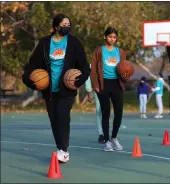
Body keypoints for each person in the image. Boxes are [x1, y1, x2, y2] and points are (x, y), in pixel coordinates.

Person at [22, 14, 90, 163]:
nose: (67, 26)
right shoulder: (45, 43)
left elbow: (84, 65)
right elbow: (33, 65)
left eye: (68, 24)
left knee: (62, 116)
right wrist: (29, 80)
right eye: (64, 24)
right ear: (56, 26)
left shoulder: (74, 42)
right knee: (54, 119)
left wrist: (80, 80)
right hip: (49, 90)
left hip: (67, 89)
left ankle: (64, 150)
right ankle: (60, 147)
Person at [90, 27, 129, 152]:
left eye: (114, 37)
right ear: (105, 37)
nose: (112, 39)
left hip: (116, 84)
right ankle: (106, 141)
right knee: (105, 112)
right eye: (110, 36)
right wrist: (95, 85)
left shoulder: (120, 52)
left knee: (119, 111)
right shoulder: (99, 51)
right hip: (104, 83)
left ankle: (114, 138)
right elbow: (94, 70)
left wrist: (126, 76)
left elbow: (125, 69)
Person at [85, 65, 105, 143]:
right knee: (99, 111)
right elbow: (88, 77)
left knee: (106, 112)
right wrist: (89, 90)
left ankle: (105, 133)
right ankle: (101, 134)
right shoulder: (92, 65)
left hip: (107, 89)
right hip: (98, 90)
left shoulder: (108, 61)